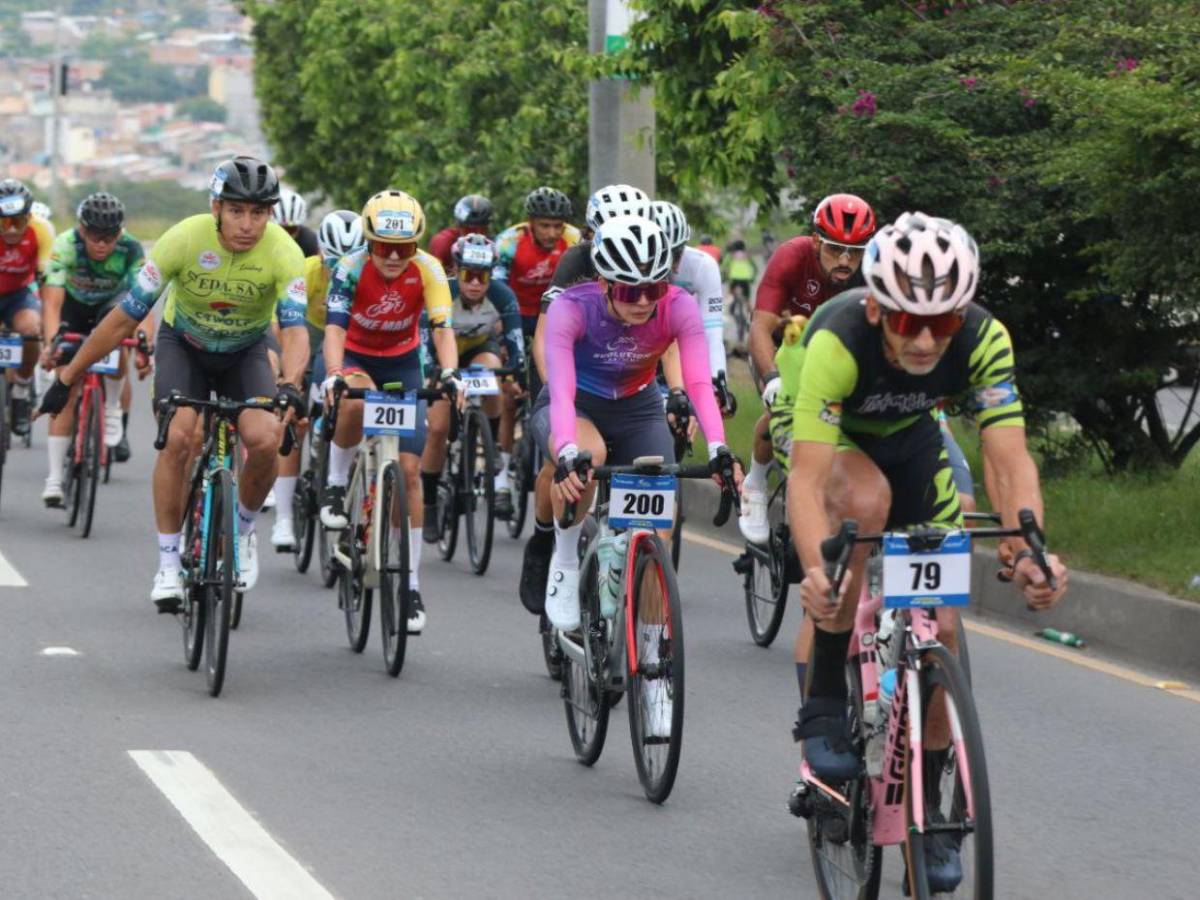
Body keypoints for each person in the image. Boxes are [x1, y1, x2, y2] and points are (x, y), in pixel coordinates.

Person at [786, 212, 1068, 890]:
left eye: (941, 323)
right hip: (839, 442)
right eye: (907, 320)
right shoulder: (838, 336)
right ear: (877, 305)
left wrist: (1031, 546)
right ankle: (827, 695)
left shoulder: (984, 337)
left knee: (940, 623)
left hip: (912, 439)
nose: (922, 338)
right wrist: (817, 570)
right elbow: (806, 479)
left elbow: (1008, 459)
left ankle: (934, 809)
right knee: (863, 508)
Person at [37, 156, 308, 610]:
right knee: (181, 437)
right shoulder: (183, 238)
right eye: (237, 211)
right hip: (184, 345)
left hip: (245, 350)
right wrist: (69, 375)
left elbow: (296, 330)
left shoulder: (284, 252)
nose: (247, 224)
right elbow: (125, 318)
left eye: (258, 212)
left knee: (264, 438)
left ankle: (241, 533)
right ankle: (167, 563)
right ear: (216, 207)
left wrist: (293, 383)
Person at [538, 214, 742, 732]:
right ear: (605, 281)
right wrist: (564, 452)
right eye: (631, 289)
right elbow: (559, 391)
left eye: (655, 286)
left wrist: (719, 447)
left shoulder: (679, 307)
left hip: (638, 408)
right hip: (576, 406)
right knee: (590, 459)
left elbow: (698, 383)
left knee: (657, 529)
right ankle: (563, 562)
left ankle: (653, 673)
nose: (644, 300)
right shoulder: (571, 308)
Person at [319, 189, 459, 634]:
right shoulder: (349, 269)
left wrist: (451, 372)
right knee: (352, 401)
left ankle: (412, 583)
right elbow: (335, 330)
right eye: (383, 247)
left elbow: (442, 329)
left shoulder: (430, 269)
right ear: (369, 242)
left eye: (404, 248)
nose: (394, 257)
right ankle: (337, 485)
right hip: (358, 357)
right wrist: (336, 373)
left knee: (412, 472)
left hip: (403, 362)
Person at [518, 183, 651, 615]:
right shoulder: (575, 261)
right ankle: (544, 539)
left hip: (624, 370)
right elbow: (545, 336)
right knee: (559, 460)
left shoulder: (648, 263)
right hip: (568, 364)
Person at [740, 192, 876, 544]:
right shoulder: (792, 256)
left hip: (836, 354)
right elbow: (759, 326)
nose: (846, 260)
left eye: (856, 251)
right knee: (782, 407)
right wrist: (771, 378)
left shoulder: (871, 272)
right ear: (816, 241)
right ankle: (755, 483)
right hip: (781, 346)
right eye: (835, 249)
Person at [38, 192, 145, 506]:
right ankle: (54, 478)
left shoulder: (131, 248)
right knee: (65, 388)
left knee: (121, 335)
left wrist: (144, 344)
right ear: (82, 230)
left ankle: (111, 408)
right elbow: (51, 302)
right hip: (73, 308)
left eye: (110, 237)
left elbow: (143, 303)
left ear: (119, 234)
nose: (102, 244)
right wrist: (50, 343)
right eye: (95, 237)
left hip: (109, 309)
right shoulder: (65, 245)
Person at [269, 209, 364, 551]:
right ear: (321, 253)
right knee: (295, 420)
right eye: (332, 263)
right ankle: (283, 519)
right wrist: (286, 373)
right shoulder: (306, 272)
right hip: (307, 332)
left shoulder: (367, 273)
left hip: (349, 337)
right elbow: (280, 324)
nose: (340, 272)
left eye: (348, 263)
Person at [419, 233, 524, 532]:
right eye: (469, 274)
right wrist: (431, 370)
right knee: (437, 429)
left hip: (479, 350)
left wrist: (518, 372)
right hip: (444, 356)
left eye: (483, 276)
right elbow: (425, 338)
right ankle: (428, 501)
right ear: (456, 271)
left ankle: (487, 442)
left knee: (493, 373)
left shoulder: (503, 296)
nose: (476, 283)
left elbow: (515, 341)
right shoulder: (442, 292)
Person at [0, 178, 53, 436]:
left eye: (17, 222)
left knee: (32, 331)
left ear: (29, 217)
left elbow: (47, 280)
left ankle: (21, 390)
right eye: (3, 222)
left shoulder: (42, 230)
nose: (10, 230)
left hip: (19, 296)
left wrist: (48, 321)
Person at [428, 193, 493, 273]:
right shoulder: (442, 242)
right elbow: (433, 276)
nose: (475, 234)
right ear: (458, 226)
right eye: (469, 230)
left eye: (482, 230)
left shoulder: (492, 246)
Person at [273, 187, 320, 258]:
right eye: (281, 229)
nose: (286, 235)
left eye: (291, 229)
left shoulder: (310, 241)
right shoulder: (258, 238)